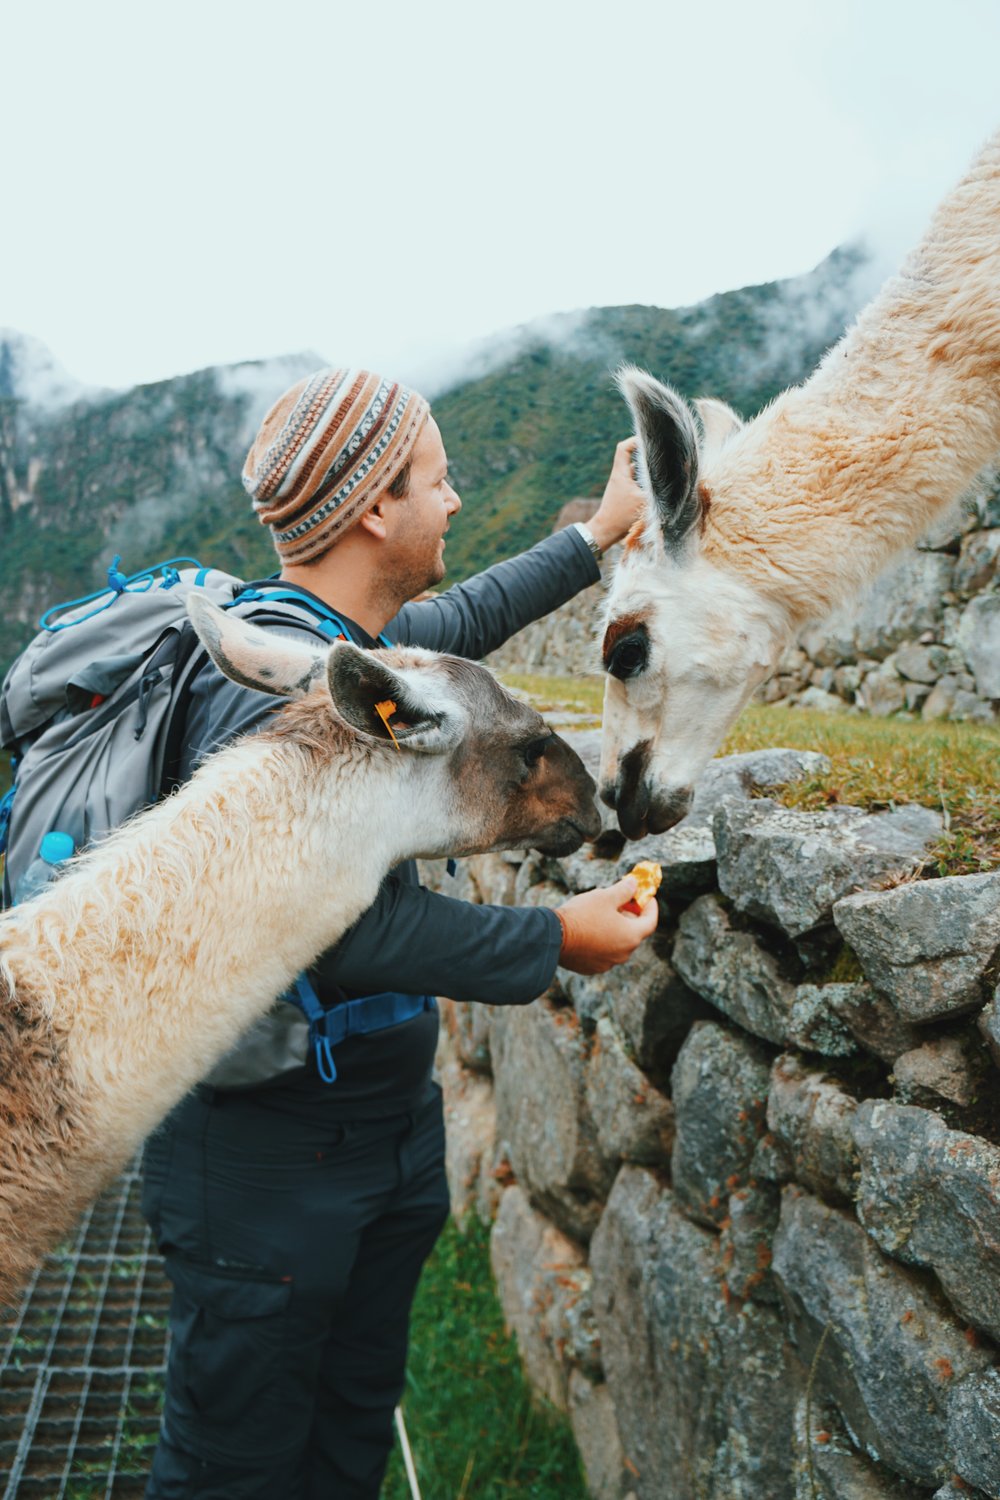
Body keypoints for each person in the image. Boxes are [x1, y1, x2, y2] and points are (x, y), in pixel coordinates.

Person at [141, 366, 658, 1499]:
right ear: (378, 508)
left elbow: (467, 617)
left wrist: (598, 534)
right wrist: (551, 942)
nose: (458, 500)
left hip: (374, 1131)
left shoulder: (352, 642)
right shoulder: (267, 691)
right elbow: (333, 928)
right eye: (440, 478)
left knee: (345, 1436)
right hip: (264, 1157)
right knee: (234, 1463)